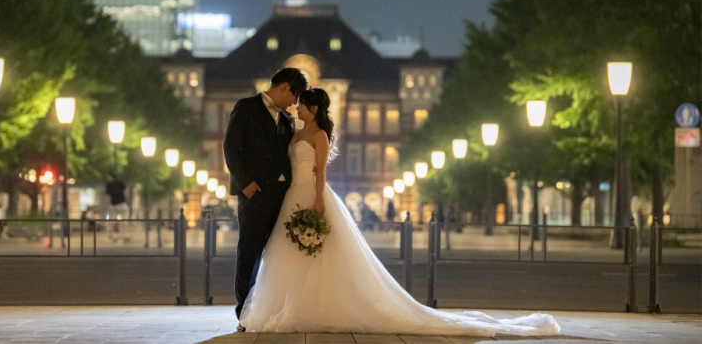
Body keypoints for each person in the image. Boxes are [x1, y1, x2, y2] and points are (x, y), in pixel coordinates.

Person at [239, 88, 560, 336]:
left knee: (319, 254)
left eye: (302, 104)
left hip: (312, 193)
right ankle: (288, 306)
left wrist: (319, 200)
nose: (296, 107)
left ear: (314, 108)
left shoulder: (320, 135)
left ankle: (314, 308)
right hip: (292, 196)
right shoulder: (295, 133)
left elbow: (321, 172)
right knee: (287, 254)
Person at [223, 67, 308, 331]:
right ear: (284, 86)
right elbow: (230, 146)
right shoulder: (245, 107)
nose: (294, 103)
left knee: (278, 255)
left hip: (282, 195)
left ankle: (270, 310)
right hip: (254, 193)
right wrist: (245, 184)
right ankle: (244, 314)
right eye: (294, 96)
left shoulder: (287, 120)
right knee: (249, 252)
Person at [105, 172, 130, 242]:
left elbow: (108, 196)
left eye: (108, 177)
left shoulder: (109, 185)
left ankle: (114, 235)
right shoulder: (121, 183)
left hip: (114, 205)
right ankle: (125, 235)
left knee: (113, 221)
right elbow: (126, 192)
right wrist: (127, 201)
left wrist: (108, 205)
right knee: (124, 220)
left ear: (111, 177)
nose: (107, 179)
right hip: (121, 204)